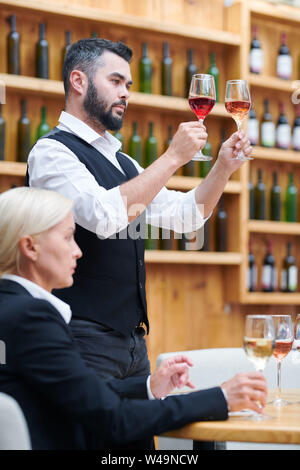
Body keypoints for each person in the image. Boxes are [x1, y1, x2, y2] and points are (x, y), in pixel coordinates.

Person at [26, 38, 252, 384]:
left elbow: (186, 216)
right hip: (79, 338)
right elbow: (102, 218)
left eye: (128, 85)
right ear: (78, 81)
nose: (126, 93)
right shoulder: (51, 153)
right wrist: (173, 157)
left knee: (139, 438)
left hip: (132, 344)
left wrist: (222, 168)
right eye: (115, 81)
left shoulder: (123, 161)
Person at [0, 187, 267, 450]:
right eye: (68, 237)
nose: (78, 251)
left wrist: (149, 386)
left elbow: (81, 397)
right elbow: (112, 418)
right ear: (30, 247)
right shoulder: (32, 317)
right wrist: (220, 397)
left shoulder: (10, 308)